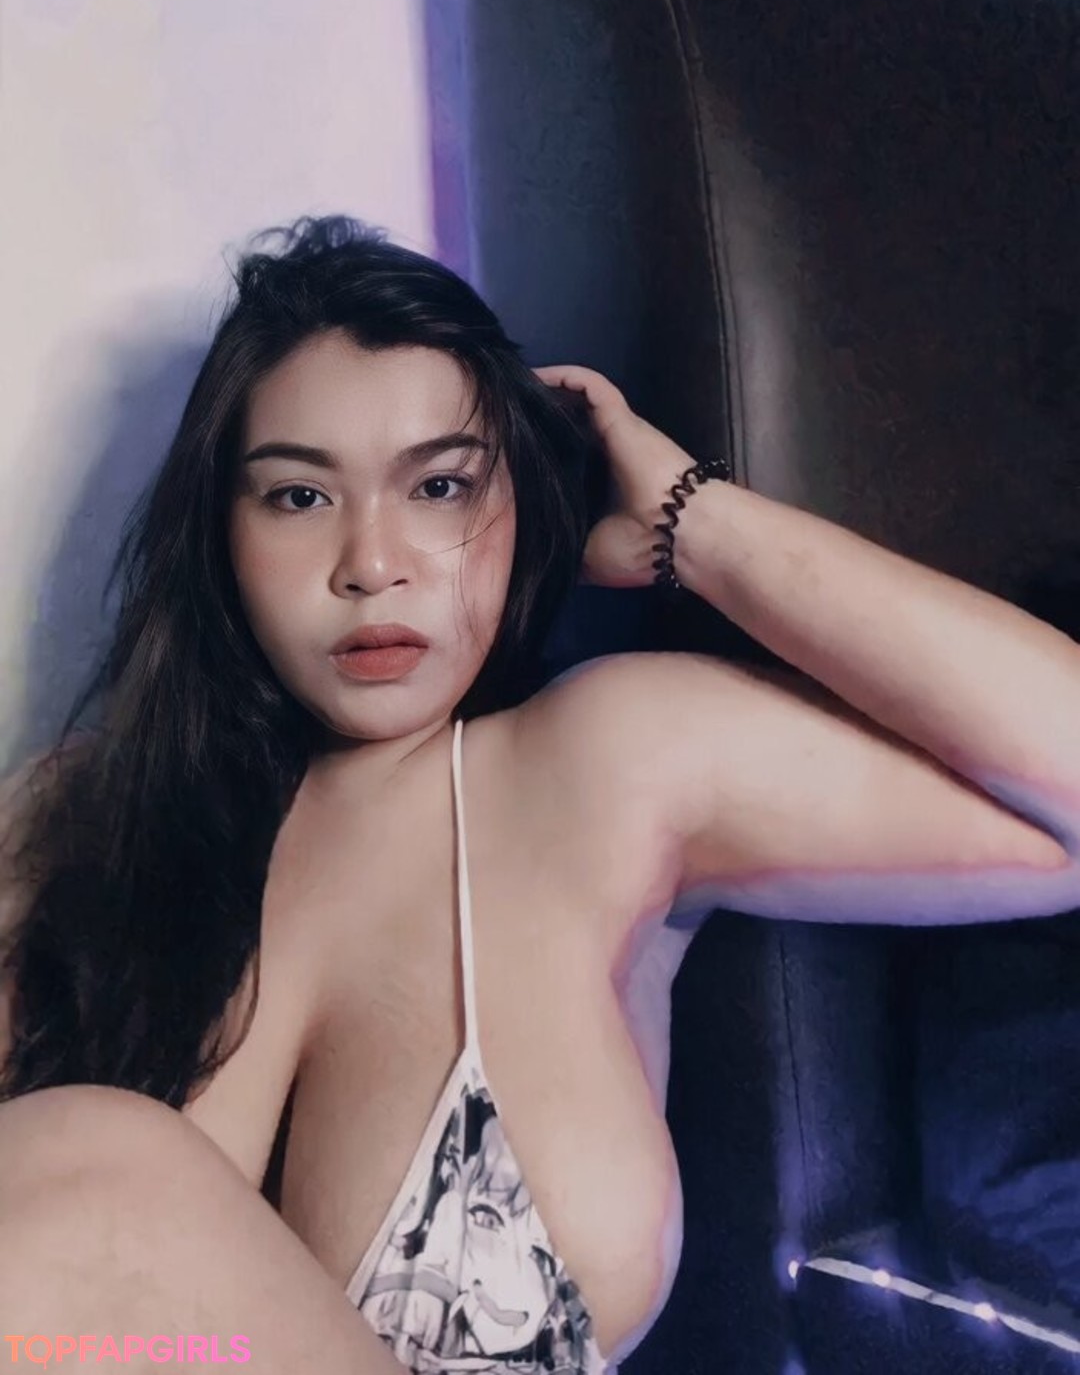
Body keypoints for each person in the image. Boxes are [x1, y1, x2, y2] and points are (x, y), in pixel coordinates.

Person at [0, 215, 1077, 1375]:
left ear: (520, 503)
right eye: (300, 497)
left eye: (440, 486)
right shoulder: (81, 826)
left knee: (91, 1156)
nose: (372, 563)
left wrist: (695, 523)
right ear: (222, 532)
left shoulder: (594, 761)